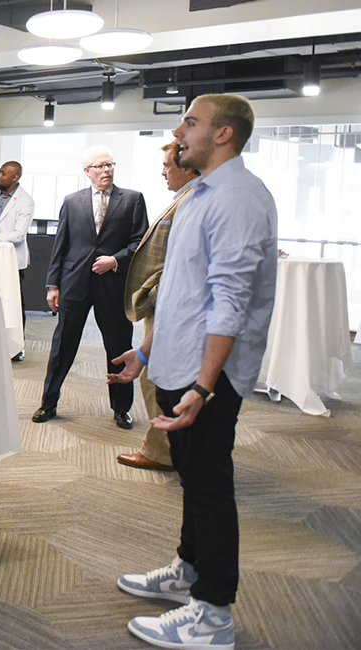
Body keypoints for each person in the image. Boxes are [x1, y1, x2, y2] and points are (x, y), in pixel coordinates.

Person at [109, 94, 277, 650]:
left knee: (209, 482)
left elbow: (230, 301)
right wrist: (148, 353)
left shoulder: (239, 199)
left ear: (224, 134)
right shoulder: (197, 193)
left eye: (192, 121)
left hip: (211, 374)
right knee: (192, 476)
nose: (180, 130)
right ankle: (188, 572)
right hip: (180, 361)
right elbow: (179, 292)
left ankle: (213, 613)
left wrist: (205, 384)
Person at [32, 145, 147, 430]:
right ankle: (48, 403)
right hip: (74, 283)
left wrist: (115, 260)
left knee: (118, 347)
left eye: (110, 164)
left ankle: (121, 409)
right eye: (100, 166)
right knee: (62, 346)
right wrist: (52, 285)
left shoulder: (132, 199)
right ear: (87, 171)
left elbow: (140, 243)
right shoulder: (72, 201)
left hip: (113, 285)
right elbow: (61, 245)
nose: (107, 170)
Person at [115, 140, 200, 472]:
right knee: (156, 377)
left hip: (171, 308)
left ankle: (162, 451)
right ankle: (167, 448)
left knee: (157, 378)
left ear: (189, 166)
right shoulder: (187, 198)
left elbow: (179, 268)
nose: (162, 171)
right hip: (164, 305)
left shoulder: (193, 202)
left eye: (168, 165)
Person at [0, 160, 36, 360]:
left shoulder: (25, 201)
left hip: (12, 258)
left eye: (3, 173)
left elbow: (19, 235)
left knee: (14, 302)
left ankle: (17, 347)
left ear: (15, 177)